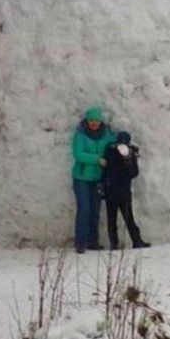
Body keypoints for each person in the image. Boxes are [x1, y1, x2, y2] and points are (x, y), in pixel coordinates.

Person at [71, 106, 115, 253]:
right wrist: (97, 159)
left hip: (97, 179)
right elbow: (78, 154)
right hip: (81, 178)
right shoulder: (80, 135)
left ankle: (93, 242)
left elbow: (115, 142)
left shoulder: (106, 134)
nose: (94, 123)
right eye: (91, 121)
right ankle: (80, 243)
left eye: (96, 120)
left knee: (95, 210)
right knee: (84, 209)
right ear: (87, 121)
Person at [102, 130, 150, 250]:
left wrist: (129, 159)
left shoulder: (130, 154)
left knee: (128, 219)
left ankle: (136, 240)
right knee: (112, 220)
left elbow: (134, 173)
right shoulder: (111, 151)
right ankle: (114, 243)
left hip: (123, 192)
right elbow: (108, 169)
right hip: (112, 191)